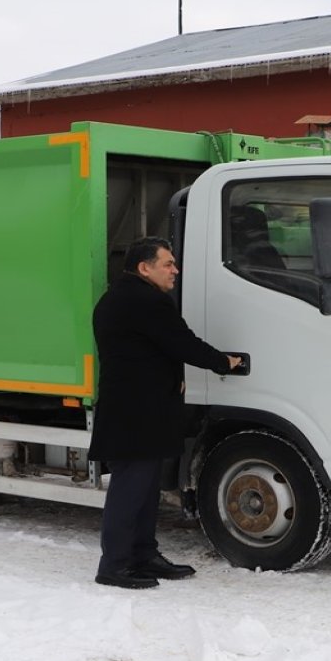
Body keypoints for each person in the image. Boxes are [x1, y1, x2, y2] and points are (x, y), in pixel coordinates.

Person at [89, 238, 242, 589]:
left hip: (137, 409)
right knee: (130, 491)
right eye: (167, 264)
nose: (175, 270)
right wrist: (225, 362)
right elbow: (182, 342)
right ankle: (113, 565)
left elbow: (153, 350)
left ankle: (143, 555)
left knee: (144, 490)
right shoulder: (147, 301)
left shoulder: (117, 298)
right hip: (137, 412)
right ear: (145, 268)